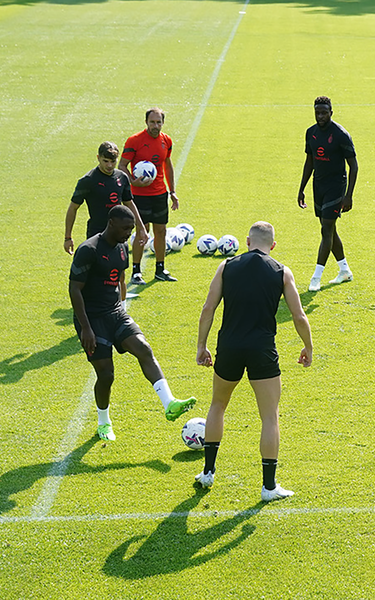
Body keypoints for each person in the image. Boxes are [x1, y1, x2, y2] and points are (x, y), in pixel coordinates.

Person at [195, 221, 313, 502]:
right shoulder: (282, 272)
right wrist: (307, 346)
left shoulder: (226, 266)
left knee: (217, 405)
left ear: (247, 241)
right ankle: (269, 487)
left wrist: (202, 346)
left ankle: (208, 473)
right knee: (270, 417)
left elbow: (208, 307)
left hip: (229, 347)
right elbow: (299, 316)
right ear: (272, 246)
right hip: (262, 350)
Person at [68, 205, 195, 441]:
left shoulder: (122, 248)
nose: (131, 233)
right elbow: (74, 289)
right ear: (112, 223)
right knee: (106, 375)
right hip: (93, 319)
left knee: (144, 349)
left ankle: (169, 403)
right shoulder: (89, 250)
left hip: (115, 313)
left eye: (132, 228)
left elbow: (120, 279)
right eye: (127, 228)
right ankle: (103, 422)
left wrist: (122, 308)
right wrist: (85, 327)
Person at [297, 96, 359, 292]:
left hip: (336, 187)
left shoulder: (340, 135)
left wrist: (348, 195)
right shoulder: (311, 133)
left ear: (331, 112)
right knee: (329, 230)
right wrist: (301, 188)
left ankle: (316, 277)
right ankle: (344, 270)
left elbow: (354, 166)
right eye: (317, 113)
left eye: (324, 112)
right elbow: (310, 162)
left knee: (326, 229)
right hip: (319, 186)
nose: (320, 116)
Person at [120, 108, 181, 284]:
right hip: (139, 196)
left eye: (159, 122)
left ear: (163, 123)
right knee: (142, 230)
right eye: (152, 122)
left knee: (160, 231)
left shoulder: (166, 140)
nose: (156, 126)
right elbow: (122, 165)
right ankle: (136, 272)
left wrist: (172, 191)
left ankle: (160, 269)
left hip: (160, 194)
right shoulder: (135, 140)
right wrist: (133, 181)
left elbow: (167, 164)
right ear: (146, 122)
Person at [65, 141, 147, 255]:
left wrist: (141, 227)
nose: (109, 165)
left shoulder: (122, 177)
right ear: (98, 158)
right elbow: (73, 208)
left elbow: (129, 203)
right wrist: (68, 237)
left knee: (120, 268)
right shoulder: (88, 181)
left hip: (119, 233)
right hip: (97, 234)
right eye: (105, 161)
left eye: (113, 162)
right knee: (99, 270)